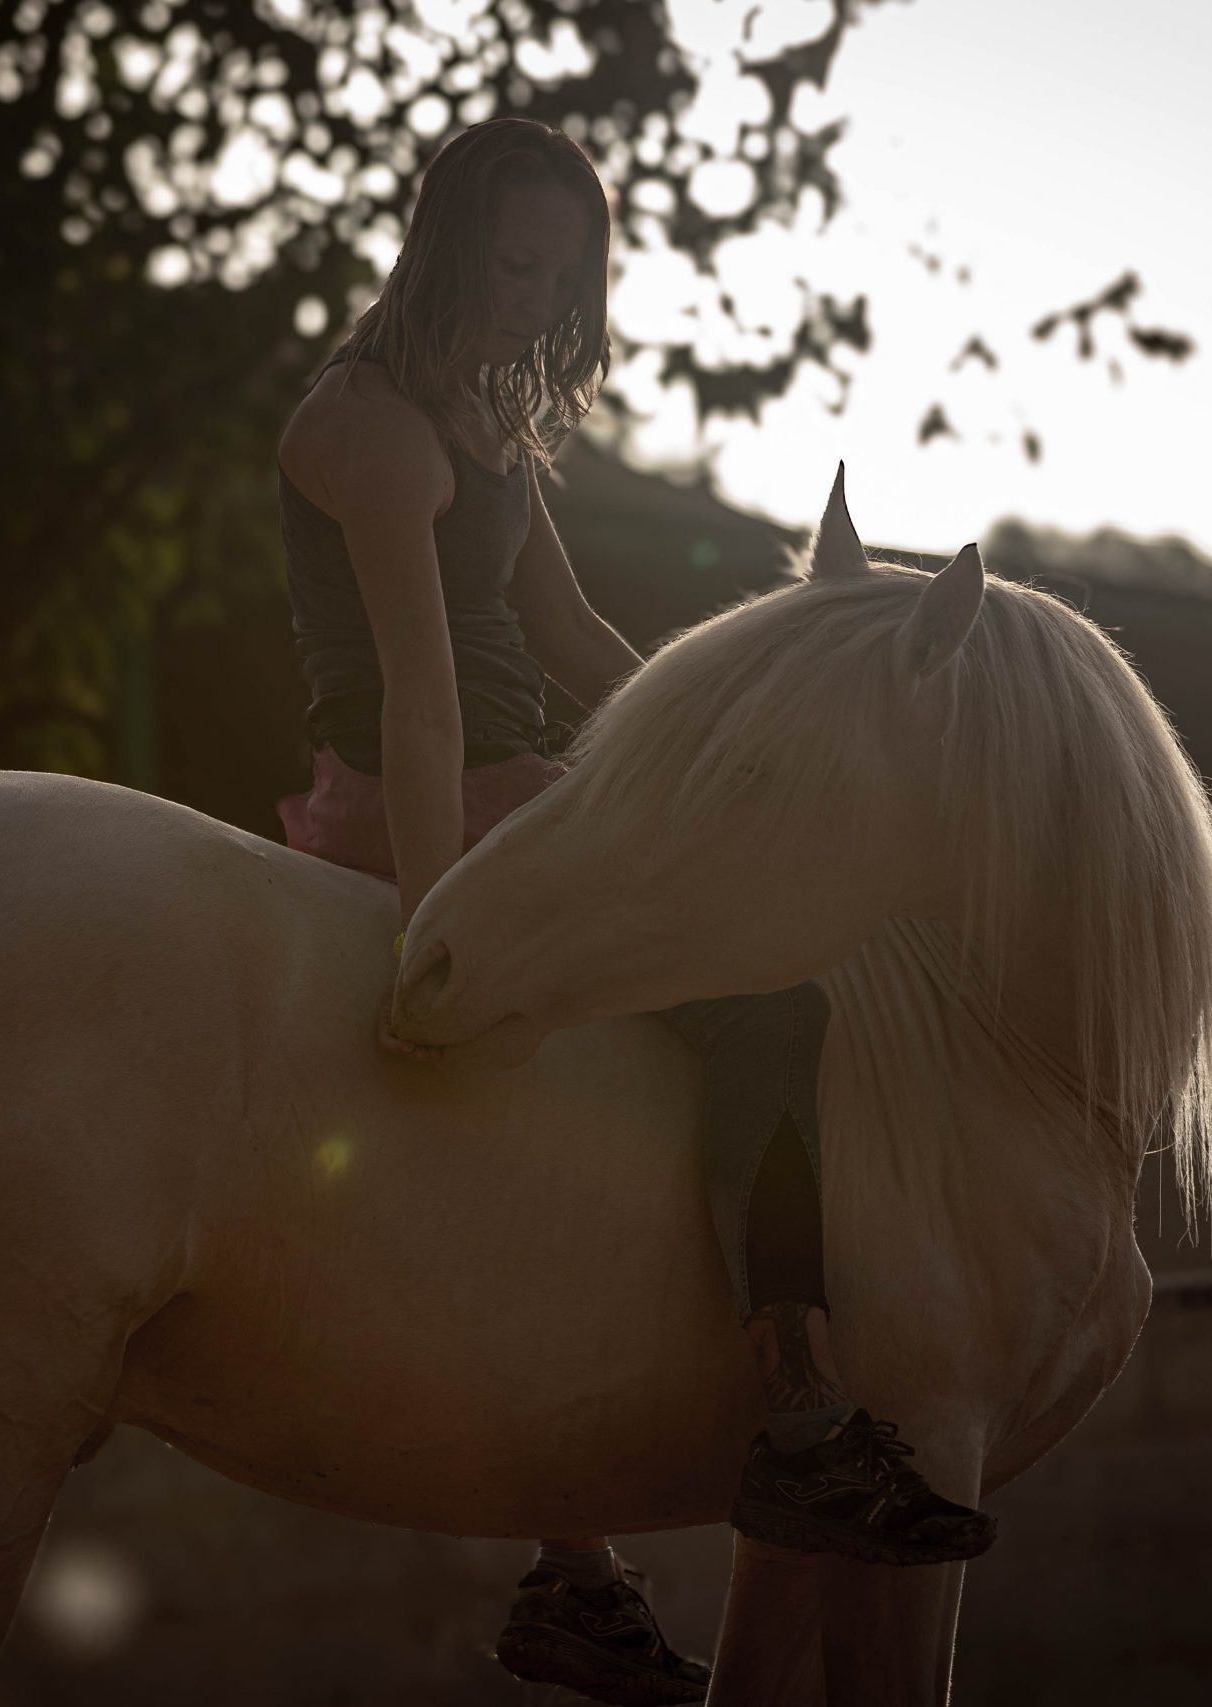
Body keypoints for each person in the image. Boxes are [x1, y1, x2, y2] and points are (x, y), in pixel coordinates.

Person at [274, 116, 993, 1705]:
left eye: (562, 270)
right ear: (447, 243)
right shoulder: (374, 429)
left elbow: (576, 629)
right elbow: (421, 695)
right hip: (434, 793)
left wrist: (713, 741)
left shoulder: (489, 421)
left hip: (522, 776)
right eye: (511, 261)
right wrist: (434, 917)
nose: (535, 296)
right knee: (768, 997)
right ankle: (801, 1408)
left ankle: (577, 1565)